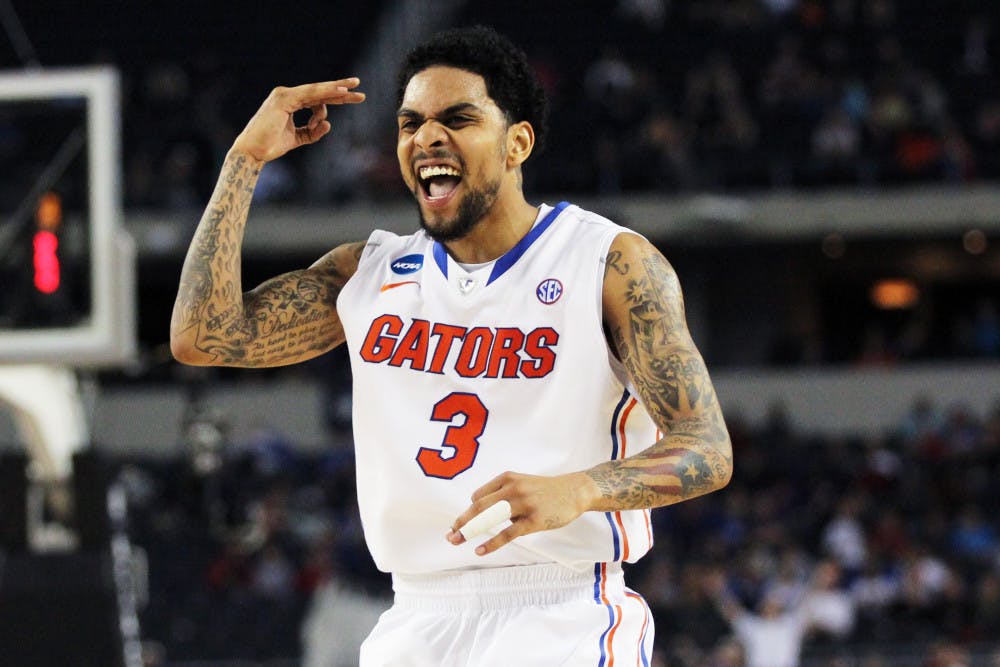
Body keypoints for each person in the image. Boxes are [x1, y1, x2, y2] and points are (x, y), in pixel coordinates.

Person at [170, 25, 732, 666]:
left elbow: (706, 448)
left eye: (457, 118)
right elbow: (201, 336)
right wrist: (244, 159)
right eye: (410, 124)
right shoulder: (370, 272)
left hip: (560, 613)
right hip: (413, 619)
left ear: (518, 141)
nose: (426, 138)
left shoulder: (608, 261)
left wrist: (581, 488)